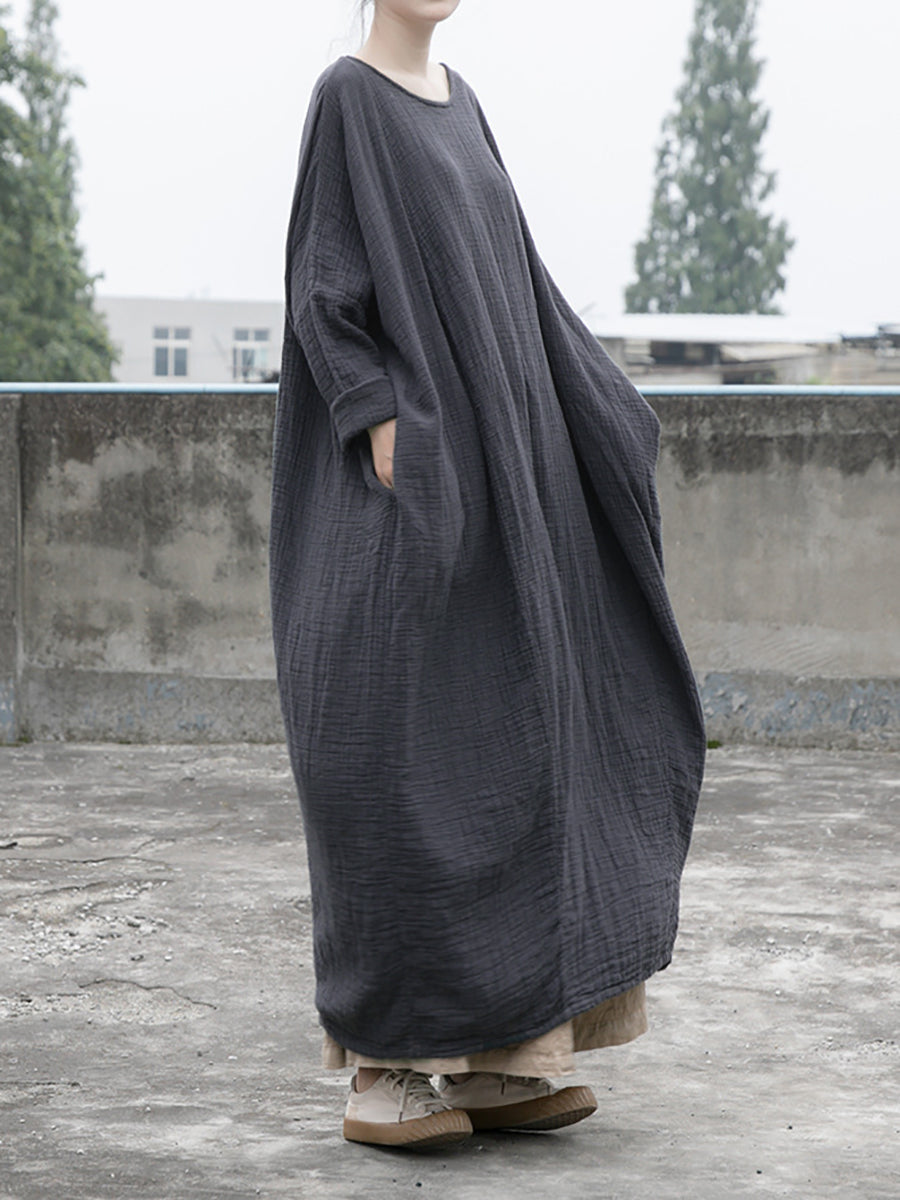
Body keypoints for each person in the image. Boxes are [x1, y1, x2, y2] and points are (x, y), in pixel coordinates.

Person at [269, 0, 706, 1151]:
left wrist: (602, 416)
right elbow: (323, 288)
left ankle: (509, 1059)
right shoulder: (348, 98)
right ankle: (386, 1072)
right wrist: (382, 426)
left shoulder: (464, 108)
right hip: (412, 504)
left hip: (506, 501)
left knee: (525, 755)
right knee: (399, 770)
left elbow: (518, 290)